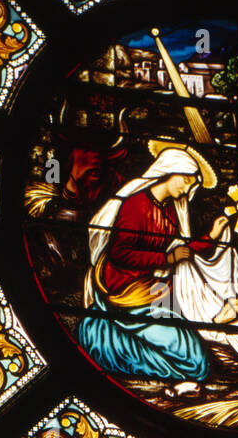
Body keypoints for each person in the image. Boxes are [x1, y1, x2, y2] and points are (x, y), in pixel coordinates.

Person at [78, 144, 224, 391]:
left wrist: (211, 237)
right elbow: (120, 254)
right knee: (196, 362)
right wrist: (166, 259)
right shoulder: (136, 206)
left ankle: (174, 374)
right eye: (187, 180)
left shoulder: (168, 209)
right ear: (171, 171)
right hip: (127, 292)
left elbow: (180, 249)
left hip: (153, 292)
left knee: (197, 357)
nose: (189, 188)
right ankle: (107, 338)